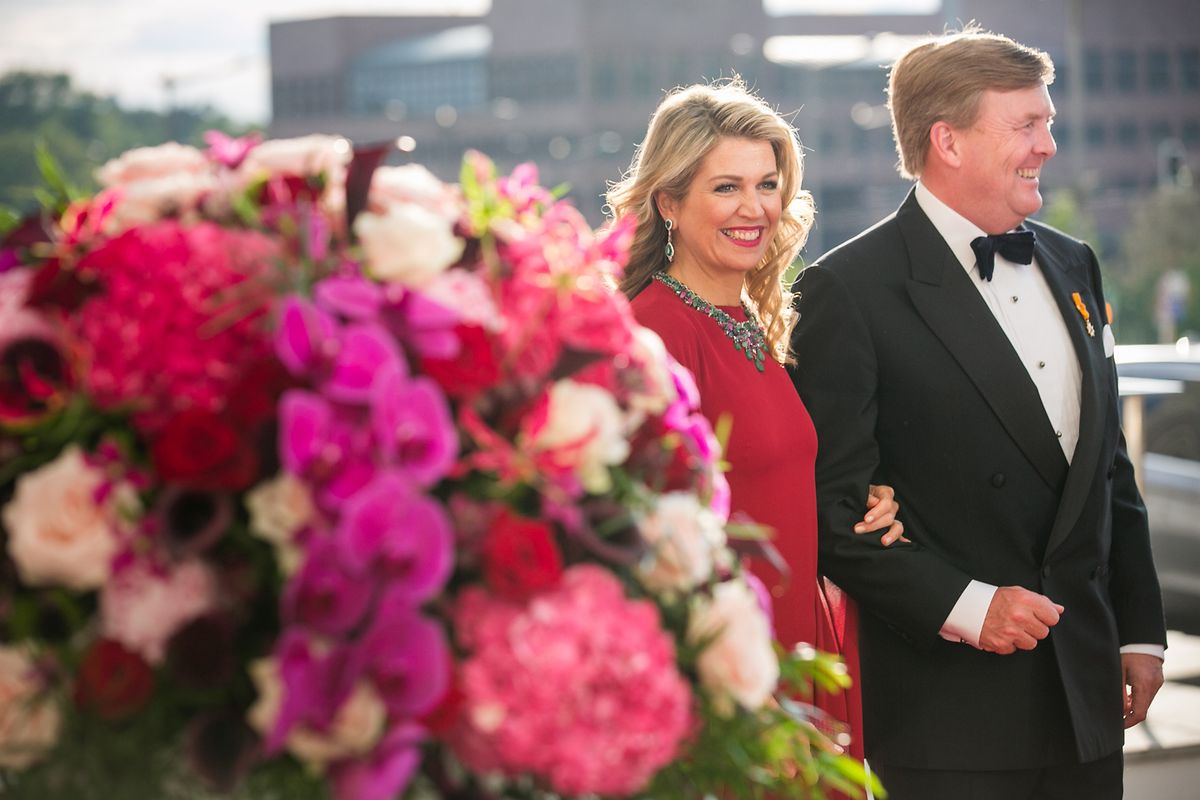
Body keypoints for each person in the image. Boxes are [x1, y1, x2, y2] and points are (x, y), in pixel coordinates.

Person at [789, 28, 1167, 799]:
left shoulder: (1074, 262)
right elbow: (829, 514)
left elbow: (1107, 473)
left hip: (1086, 695)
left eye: (1050, 123)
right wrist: (971, 608)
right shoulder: (847, 290)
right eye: (1027, 125)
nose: (1049, 146)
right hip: (947, 717)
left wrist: (1139, 630)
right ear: (948, 141)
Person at [608, 79, 905, 760]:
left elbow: (769, 476)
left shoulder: (753, 322)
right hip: (724, 679)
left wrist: (859, 499)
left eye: (767, 184)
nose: (755, 208)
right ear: (669, 203)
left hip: (797, 641)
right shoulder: (653, 333)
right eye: (726, 188)